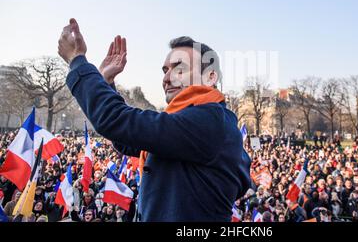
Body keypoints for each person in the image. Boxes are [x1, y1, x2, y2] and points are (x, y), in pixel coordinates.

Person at [57, 18, 251, 222]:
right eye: (165, 70)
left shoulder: (209, 120)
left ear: (210, 77)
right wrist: (105, 82)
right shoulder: (194, 122)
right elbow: (126, 139)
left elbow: (118, 121)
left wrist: (77, 61)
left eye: (179, 68)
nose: (167, 78)